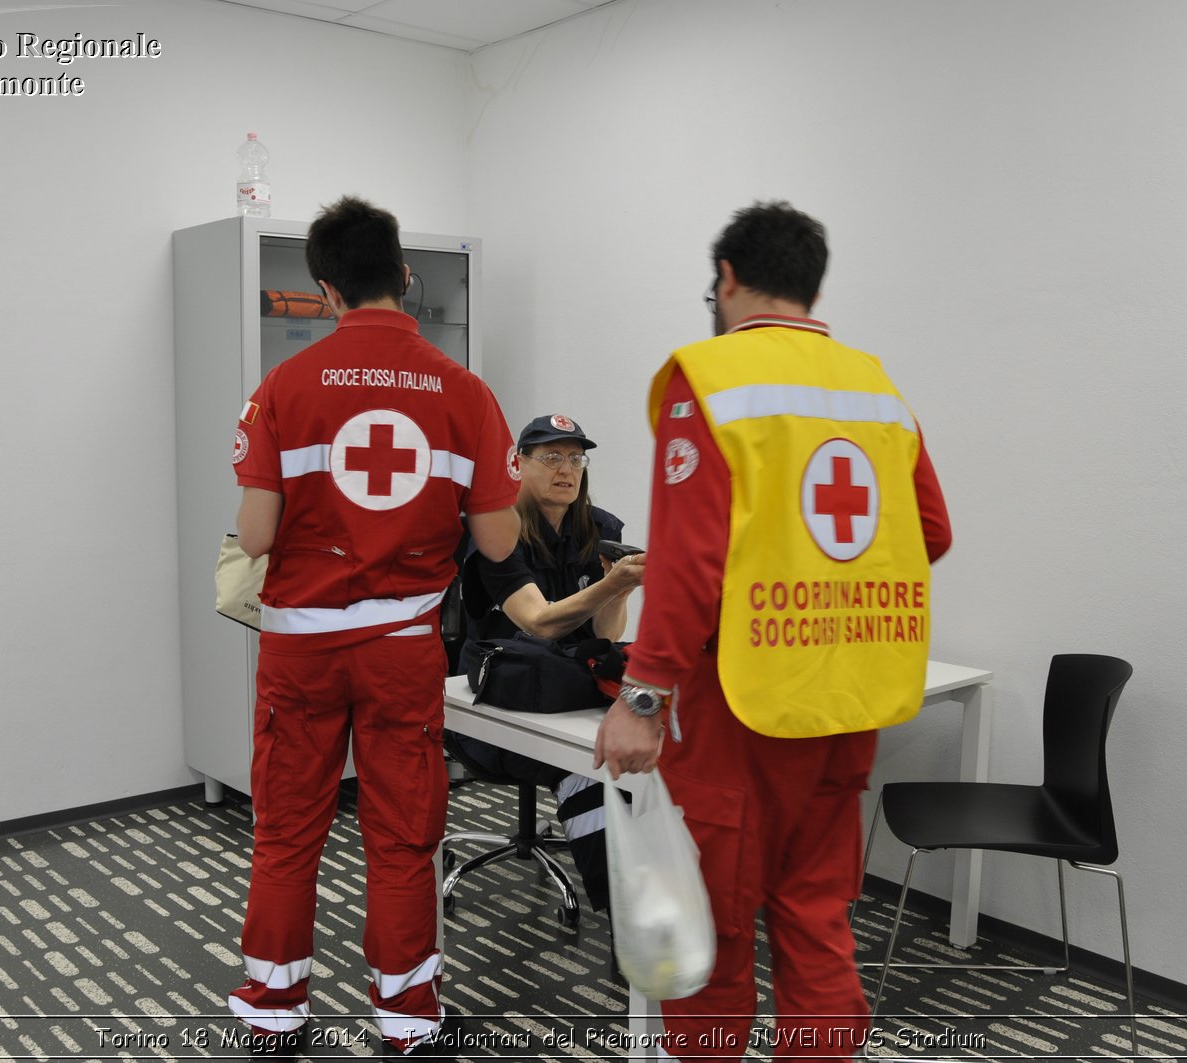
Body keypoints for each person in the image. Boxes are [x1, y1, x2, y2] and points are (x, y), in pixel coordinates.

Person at [594, 201, 952, 1061]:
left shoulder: (711, 378)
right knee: (816, 915)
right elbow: (928, 532)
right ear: (810, 284)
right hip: (847, 697)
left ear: (725, 281)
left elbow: (685, 559)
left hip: (738, 705)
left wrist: (643, 698)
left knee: (709, 926)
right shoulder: (875, 386)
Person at [228, 196, 520, 1059]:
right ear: (403, 276)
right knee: (402, 834)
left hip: (299, 645)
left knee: (287, 830)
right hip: (400, 648)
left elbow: (255, 536)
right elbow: (500, 541)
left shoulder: (283, 386)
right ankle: (407, 1017)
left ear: (324, 291)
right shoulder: (464, 391)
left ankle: (275, 1011)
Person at [451, 413, 645, 912]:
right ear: (518, 465)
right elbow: (538, 622)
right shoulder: (496, 533)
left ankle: (661, 896)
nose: (567, 469)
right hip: (499, 706)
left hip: (573, 695)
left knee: (650, 752)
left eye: (576, 458)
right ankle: (626, 918)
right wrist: (614, 583)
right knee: (590, 768)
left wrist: (616, 591)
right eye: (551, 457)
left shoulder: (599, 527)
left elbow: (607, 634)